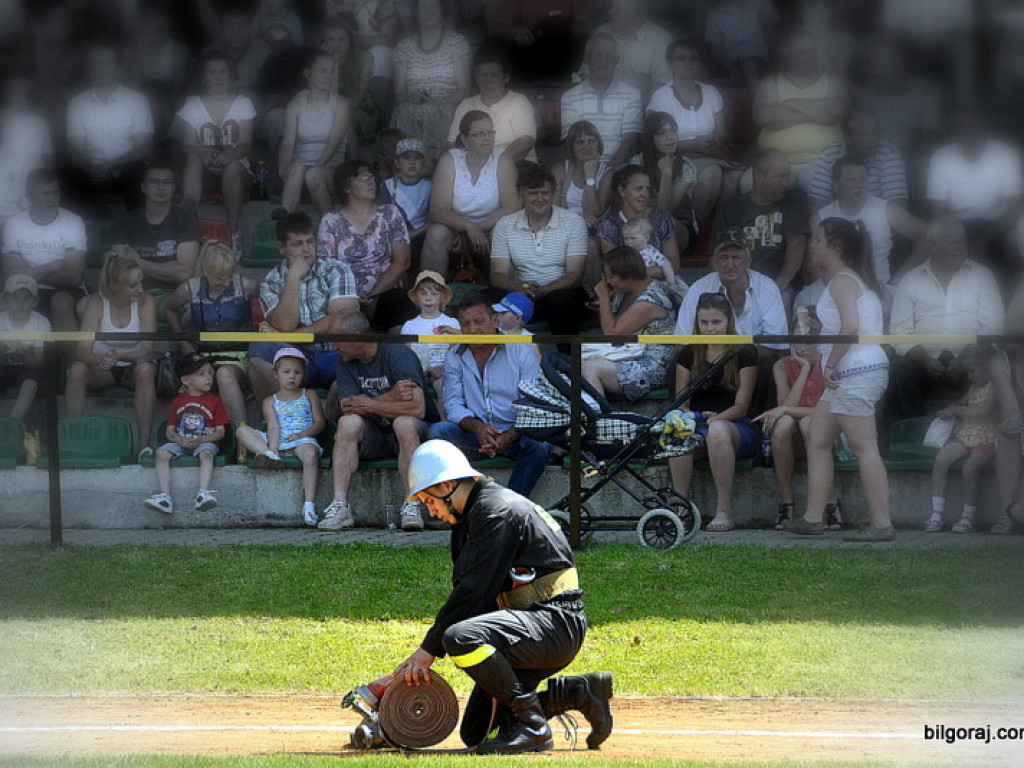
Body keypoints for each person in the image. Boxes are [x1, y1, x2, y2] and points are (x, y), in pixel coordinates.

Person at [396, 439, 612, 753]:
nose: (431, 511)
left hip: (553, 626)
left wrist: (428, 650)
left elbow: (473, 593)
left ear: (447, 485)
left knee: (459, 638)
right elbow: (474, 594)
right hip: (537, 625)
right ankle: (578, 693)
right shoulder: (473, 515)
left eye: (430, 501)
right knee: (477, 732)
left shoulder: (494, 513)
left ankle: (534, 727)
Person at [785, 218, 893, 542]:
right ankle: (813, 518)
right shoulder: (845, 280)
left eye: (816, 240)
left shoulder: (842, 281)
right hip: (852, 373)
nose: (811, 245)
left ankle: (882, 524)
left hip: (855, 373)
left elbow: (850, 328)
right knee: (818, 439)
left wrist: (829, 364)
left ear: (834, 247)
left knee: (865, 448)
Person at [428, 293, 553, 497]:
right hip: (476, 434)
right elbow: (452, 404)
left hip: (517, 432)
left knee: (541, 445)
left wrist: (509, 436)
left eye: (479, 322)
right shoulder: (454, 356)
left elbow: (534, 403)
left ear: (495, 321)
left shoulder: (521, 350)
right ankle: (464, 501)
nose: (472, 330)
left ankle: (511, 504)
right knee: (438, 434)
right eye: (466, 324)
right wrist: (479, 428)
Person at [322, 311, 437, 532]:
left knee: (403, 422)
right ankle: (340, 506)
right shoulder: (345, 362)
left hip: (414, 436)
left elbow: (417, 409)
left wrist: (369, 404)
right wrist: (391, 397)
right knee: (348, 423)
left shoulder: (397, 354)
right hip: (374, 433)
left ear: (356, 336)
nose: (334, 347)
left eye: (338, 340)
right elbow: (349, 406)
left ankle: (412, 504)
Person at [886, 218, 1004, 425]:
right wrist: (925, 360)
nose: (961, 247)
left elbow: (994, 325)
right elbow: (899, 332)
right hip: (924, 363)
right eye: (953, 242)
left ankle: (978, 432)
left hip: (973, 361)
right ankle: (911, 433)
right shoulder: (910, 280)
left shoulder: (982, 275)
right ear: (933, 246)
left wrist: (968, 357)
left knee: (995, 362)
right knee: (899, 369)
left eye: (963, 241)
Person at [248, 212, 360, 404]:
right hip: (296, 359)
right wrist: (293, 277)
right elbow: (285, 324)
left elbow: (343, 318)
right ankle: (281, 420)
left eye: (310, 242)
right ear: (281, 247)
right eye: (297, 244)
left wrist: (289, 337)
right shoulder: (271, 282)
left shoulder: (337, 269)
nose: (306, 250)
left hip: (337, 354)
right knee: (259, 348)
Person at [669, 293, 758, 532]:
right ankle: (682, 507)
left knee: (717, 432)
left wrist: (714, 419)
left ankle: (724, 510)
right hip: (699, 422)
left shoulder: (744, 352)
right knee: (677, 424)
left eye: (716, 323)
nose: (710, 329)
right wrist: (693, 417)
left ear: (728, 321)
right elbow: (681, 401)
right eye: (704, 323)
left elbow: (741, 406)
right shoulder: (688, 353)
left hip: (735, 425)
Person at [66, 253, 157, 460]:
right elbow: (81, 349)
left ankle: (144, 446)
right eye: (134, 285)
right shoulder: (97, 302)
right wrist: (100, 359)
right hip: (103, 367)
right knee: (77, 369)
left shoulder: (146, 301)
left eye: (140, 282)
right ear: (116, 285)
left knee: (146, 369)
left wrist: (121, 355)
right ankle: (72, 437)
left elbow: (148, 348)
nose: (141, 289)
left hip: (132, 366)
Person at [753, 327, 840, 531]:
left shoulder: (828, 362)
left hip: (824, 427)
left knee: (809, 423)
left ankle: (830, 502)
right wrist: (804, 371)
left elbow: (823, 411)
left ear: (819, 342)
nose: (801, 347)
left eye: (808, 342)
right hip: (794, 432)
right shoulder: (781, 366)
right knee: (782, 425)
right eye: (796, 341)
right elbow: (785, 406)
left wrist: (785, 409)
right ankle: (786, 504)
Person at [489, 164, 591, 338]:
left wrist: (543, 290)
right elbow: (497, 274)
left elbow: (575, 275)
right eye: (533, 193)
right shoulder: (505, 225)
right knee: (484, 299)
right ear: (520, 195)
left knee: (560, 301)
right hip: (521, 294)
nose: (540, 198)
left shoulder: (573, 222)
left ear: (553, 194)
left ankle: (569, 362)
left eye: (545, 193)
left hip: (561, 294)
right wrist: (519, 287)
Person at [164, 240, 258, 426]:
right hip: (202, 355)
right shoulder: (190, 288)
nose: (227, 282)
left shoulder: (247, 285)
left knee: (224, 374)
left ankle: (241, 436)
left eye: (230, 275)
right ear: (206, 273)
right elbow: (169, 309)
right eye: (220, 278)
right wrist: (184, 341)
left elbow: (268, 305)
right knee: (192, 378)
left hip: (238, 356)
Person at [926, 105, 1024, 281]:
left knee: (1021, 226)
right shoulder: (941, 158)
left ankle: (1017, 281)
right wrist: (959, 238)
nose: (969, 134)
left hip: (998, 223)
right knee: (933, 231)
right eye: (962, 130)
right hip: (957, 223)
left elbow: (1015, 209)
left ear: (985, 128)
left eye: (974, 128)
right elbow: (938, 213)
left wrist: (985, 240)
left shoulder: (1005, 154)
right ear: (953, 132)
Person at [317, 160, 414, 331]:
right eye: (362, 178)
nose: (371, 181)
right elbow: (326, 267)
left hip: (385, 294)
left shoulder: (390, 214)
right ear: (346, 187)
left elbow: (403, 261)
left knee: (400, 301)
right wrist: (353, 293)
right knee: (342, 308)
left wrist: (373, 295)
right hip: (346, 295)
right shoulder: (331, 221)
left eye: (371, 177)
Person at [646, 40, 739, 218]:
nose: (688, 62)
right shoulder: (661, 96)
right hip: (676, 157)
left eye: (693, 58)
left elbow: (723, 134)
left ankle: (719, 224)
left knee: (735, 176)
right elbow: (653, 141)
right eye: (681, 58)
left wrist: (714, 141)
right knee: (712, 174)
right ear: (669, 64)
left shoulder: (712, 92)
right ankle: (696, 225)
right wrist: (691, 144)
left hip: (710, 154)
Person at [175, 50, 256, 252]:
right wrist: (205, 153)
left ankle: (233, 233)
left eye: (223, 72)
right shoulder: (192, 104)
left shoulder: (243, 103)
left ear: (231, 75)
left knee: (232, 168)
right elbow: (187, 145)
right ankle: (188, 224)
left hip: (236, 169)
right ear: (203, 77)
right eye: (212, 72)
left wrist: (228, 156)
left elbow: (246, 144)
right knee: (193, 159)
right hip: (204, 169)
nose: (218, 77)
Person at [421, 111, 518, 278]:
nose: (487, 138)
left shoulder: (502, 157)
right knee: (436, 234)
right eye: (479, 134)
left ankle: (505, 296)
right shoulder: (450, 159)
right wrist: (466, 228)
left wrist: (477, 230)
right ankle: (432, 293)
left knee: (503, 233)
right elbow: (438, 209)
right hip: (455, 228)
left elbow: (512, 206)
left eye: (490, 132)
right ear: (464, 139)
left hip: (491, 226)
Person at [237, 347, 326, 527]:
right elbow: (272, 425)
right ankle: (269, 455)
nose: (292, 376)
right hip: (276, 441)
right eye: (286, 372)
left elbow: (319, 423)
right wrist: (273, 446)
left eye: (297, 372)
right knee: (242, 431)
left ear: (303, 375)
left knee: (310, 454)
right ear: (275, 374)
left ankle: (308, 505)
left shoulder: (309, 395)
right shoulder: (270, 400)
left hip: (302, 440)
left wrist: (302, 434)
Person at [753, 29, 848, 192]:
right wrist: (818, 112)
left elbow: (836, 112)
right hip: (773, 164)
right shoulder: (770, 83)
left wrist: (791, 103)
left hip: (821, 162)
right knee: (749, 185)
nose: (806, 56)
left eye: (810, 51)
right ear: (788, 55)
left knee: (825, 189)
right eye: (799, 52)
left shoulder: (833, 81)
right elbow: (764, 117)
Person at [812, 156, 924, 292]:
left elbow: (930, 236)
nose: (859, 184)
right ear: (836, 184)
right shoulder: (821, 218)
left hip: (880, 290)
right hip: (836, 292)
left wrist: (900, 278)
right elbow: (814, 264)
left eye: (863, 179)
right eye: (851, 180)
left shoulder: (887, 209)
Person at [110, 161, 201, 328]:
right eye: (155, 181)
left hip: (173, 295)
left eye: (167, 182)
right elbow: (119, 270)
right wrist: (168, 268)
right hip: (131, 293)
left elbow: (183, 272)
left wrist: (138, 263)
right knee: (85, 306)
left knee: (196, 310)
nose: (161, 187)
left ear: (174, 188)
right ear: (143, 187)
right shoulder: (126, 220)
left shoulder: (185, 219)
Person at [64, 42, 154, 207]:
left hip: (127, 168)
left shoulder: (137, 101)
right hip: (89, 169)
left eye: (102, 63)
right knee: (67, 174)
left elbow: (145, 148)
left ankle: (135, 230)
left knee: (138, 174)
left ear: (118, 69)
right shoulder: (77, 103)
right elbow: (74, 148)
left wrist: (111, 165)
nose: (95, 68)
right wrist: (90, 167)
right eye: (92, 63)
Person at [583, 246, 675, 401]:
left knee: (589, 368)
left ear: (629, 276)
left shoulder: (650, 300)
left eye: (611, 277)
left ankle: (596, 418)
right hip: (629, 353)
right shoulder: (624, 292)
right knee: (579, 362)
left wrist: (603, 297)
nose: (607, 281)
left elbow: (612, 333)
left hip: (653, 364)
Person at [1, 169, 87, 332]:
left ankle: (71, 358)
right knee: (4, 302)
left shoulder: (73, 222)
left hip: (64, 291)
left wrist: (27, 273)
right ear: (29, 197)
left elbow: (74, 276)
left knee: (61, 302)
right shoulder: (14, 224)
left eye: (56, 192)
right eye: (45, 193)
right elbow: (10, 276)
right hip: (21, 289)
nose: (52, 198)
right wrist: (50, 267)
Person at [713, 149, 809, 294]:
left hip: (780, 286)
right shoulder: (731, 208)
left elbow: (797, 243)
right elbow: (716, 256)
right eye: (779, 177)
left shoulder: (794, 203)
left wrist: (778, 286)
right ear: (759, 176)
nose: (786, 183)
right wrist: (734, 288)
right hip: (737, 286)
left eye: (787, 176)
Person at [926, 344, 998, 535]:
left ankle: (968, 516)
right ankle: (938, 511)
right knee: (942, 458)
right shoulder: (973, 387)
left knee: (970, 468)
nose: (969, 377)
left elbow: (984, 411)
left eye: (972, 371)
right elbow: (961, 403)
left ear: (989, 367)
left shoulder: (996, 387)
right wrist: (951, 409)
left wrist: (958, 411)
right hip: (966, 436)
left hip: (987, 440)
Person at [144, 353, 228, 516]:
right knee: (161, 453)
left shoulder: (215, 401)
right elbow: (170, 431)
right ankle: (165, 497)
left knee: (206, 454)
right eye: (201, 374)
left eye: (210, 373)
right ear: (186, 381)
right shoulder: (178, 402)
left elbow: (220, 432)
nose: (208, 378)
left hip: (204, 441)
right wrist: (179, 439)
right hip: (181, 442)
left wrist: (202, 439)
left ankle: (203, 494)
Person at [390, 0, 472, 160]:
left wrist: (437, 104)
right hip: (414, 108)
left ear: (443, 12)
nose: (429, 11)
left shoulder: (457, 43)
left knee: (441, 113)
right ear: (416, 14)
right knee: (403, 111)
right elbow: (399, 91)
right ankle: (410, 167)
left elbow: (465, 89)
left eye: (434, 7)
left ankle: (441, 164)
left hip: (448, 107)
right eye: (424, 8)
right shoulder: (403, 48)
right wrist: (409, 98)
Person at [278, 50, 352, 216]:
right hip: (301, 166)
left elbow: (334, 142)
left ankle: (329, 227)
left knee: (313, 174)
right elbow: (287, 142)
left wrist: (317, 166)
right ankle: (284, 217)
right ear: (307, 74)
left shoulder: (341, 104)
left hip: (331, 168)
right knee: (296, 168)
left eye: (332, 71)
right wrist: (283, 168)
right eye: (323, 70)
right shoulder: (295, 104)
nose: (329, 75)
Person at [560, 34, 643, 168]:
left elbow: (629, 142)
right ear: (587, 59)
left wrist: (606, 171)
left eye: (609, 55)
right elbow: (573, 142)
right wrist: (590, 173)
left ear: (617, 60)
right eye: (598, 54)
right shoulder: (569, 97)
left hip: (619, 169)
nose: (603, 60)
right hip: (582, 168)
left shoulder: (632, 94)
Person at [447, 48, 537, 163]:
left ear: (506, 77)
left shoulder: (519, 102)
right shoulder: (466, 105)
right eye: (483, 75)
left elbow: (526, 141)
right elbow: (452, 144)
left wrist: (492, 164)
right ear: (476, 77)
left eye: (493, 75)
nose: (488, 80)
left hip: (516, 166)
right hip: (473, 168)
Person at [807, 110, 909, 210]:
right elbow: (818, 203)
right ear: (847, 137)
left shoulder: (889, 153)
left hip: (878, 220)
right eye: (863, 134)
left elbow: (897, 206)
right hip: (839, 222)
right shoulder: (830, 154)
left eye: (874, 131)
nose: (871, 138)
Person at [596, 165, 681, 274]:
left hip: (664, 280)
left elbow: (674, 262)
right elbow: (615, 267)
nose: (644, 194)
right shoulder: (609, 226)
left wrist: (652, 272)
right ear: (622, 191)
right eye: (638, 189)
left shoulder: (662, 219)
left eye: (648, 189)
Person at [401, 270, 460, 412]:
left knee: (441, 386)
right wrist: (419, 371)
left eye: (434, 294)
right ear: (416, 297)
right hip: (417, 372)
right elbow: (406, 354)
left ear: (442, 298)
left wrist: (443, 369)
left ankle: (443, 424)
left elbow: (457, 350)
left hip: (444, 371)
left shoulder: (451, 323)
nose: (428, 298)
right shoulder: (409, 325)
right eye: (423, 294)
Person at [0, 71, 54, 224]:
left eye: (27, 91)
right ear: (7, 93)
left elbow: (47, 157)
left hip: (30, 187)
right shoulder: (2, 117)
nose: (23, 95)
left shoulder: (40, 121)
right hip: (4, 187)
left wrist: (46, 185)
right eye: (17, 90)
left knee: (25, 228)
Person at [495, 0, 590, 83]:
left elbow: (586, 27)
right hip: (529, 46)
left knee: (587, 42)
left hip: (562, 47)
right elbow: (499, 27)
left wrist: (560, 28)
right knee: (493, 44)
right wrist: (515, 32)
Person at [633, 112, 697, 235]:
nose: (670, 137)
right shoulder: (637, 162)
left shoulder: (687, 166)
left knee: (664, 225)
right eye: (662, 133)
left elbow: (665, 211)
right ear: (650, 138)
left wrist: (666, 173)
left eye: (673, 131)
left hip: (680, 224)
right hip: (641, 222)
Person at [196, 1, 272, 105]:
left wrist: (259, 115)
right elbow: (199, 90)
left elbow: (276, 93)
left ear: (249, 28)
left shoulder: (263, 51)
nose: (236, 33)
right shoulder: (210, 53)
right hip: (219, 104)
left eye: (241, 27)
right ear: (222, 29)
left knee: (276, 114)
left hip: (255, 104)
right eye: (230, 27)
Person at [594, 0, 672, 100]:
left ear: (634, 11)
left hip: (642, 110)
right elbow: (582, 76)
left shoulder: (660, 39)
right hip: (599, 107)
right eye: (611, 7)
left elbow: (665, 86)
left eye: (616, 8)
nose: (610, 12)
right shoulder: (602, 32)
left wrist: (635, 106)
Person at [0, 275, 49, 421]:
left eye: (26, 299)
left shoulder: (41, 323)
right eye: (14, 298)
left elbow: (38, 362)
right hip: (3, 367)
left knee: (30, 384)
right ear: (5, 300)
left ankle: (12, 424)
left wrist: (22, 351)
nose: (20, 303)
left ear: (35, 301)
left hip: (29, 368)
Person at [704, 0, 776, 94]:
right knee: (704, 73)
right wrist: (733, 70)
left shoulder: (759, 3)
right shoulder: (714, 14)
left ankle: (758, 106)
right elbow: (715, 48)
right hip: (728, 61)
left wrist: (770, 53)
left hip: (758, 58)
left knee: (749, 67)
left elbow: (773, 26)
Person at [551, 121, 614, 230]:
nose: (587, 147)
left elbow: (595, 213)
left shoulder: (608, 173)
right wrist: (577, 219)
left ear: (598, 144)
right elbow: (552, 208)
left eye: (591, 141)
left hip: (593, 230)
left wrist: (590, 176)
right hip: (562, 226)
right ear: (572, 147)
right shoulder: (560, 169)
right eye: (580, 142)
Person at [378, 138, 432, 250]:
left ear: (423, 163)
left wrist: (416, 233)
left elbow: (434, 218)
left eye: (417, 158)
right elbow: (382, 219)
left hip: (422, 237)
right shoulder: (388, 186)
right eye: (407, 158)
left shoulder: (430, 187)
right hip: (394, 240)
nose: (412, 162)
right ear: (397, 163)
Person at [622, 216, 675, 289]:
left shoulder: (651, 252)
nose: (628, 242)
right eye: (626, 239)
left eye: (633, 238)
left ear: (646, 237)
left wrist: (671, 283)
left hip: (650, 282)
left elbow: (666, 264)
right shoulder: (626, 252)